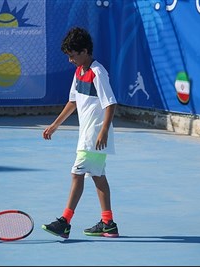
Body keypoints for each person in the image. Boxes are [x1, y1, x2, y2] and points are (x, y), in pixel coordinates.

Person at [41, 27, 119, 239]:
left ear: (85, 51)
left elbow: (110, 103)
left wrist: (103, 131)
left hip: (94, 137)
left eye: (73, 55)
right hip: (87, 136)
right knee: (98, 177)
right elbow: (73, 102)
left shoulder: (98, 72)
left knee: (77, 174)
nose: (70, 60)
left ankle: (64, 222)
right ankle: (108, 224)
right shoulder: (79, 72)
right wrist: (55, 125)